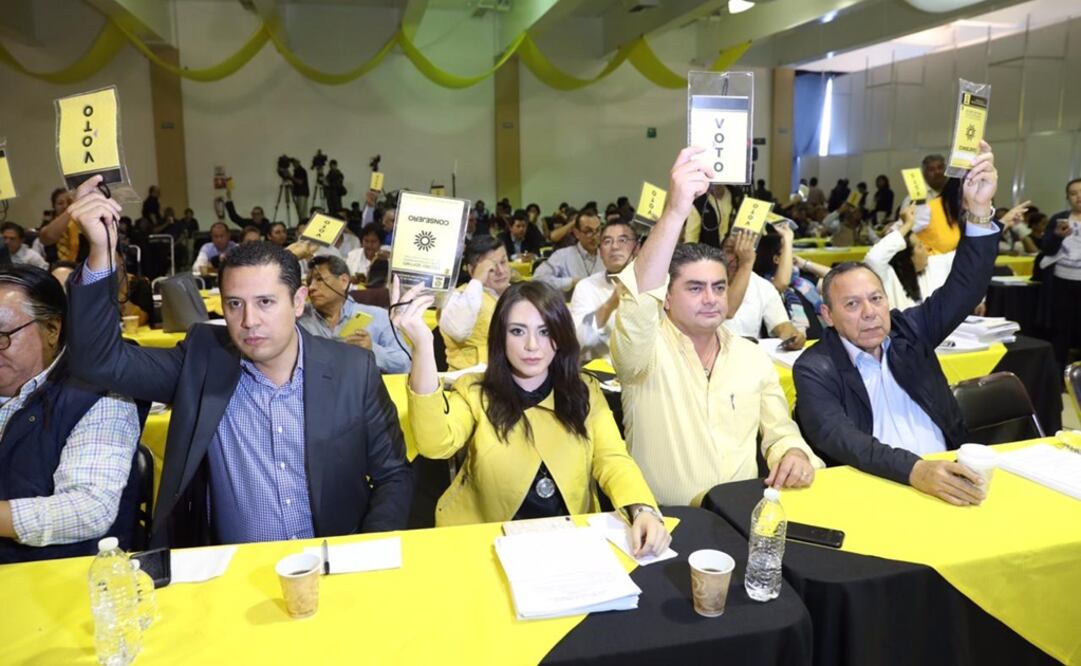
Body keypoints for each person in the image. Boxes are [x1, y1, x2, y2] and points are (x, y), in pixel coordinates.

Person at [63, 175, 413, 547]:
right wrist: (101, 252)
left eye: (265, 302)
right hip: (230, 575)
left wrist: (367, 553)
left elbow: (393, 475)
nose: (248, 321)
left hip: (332, 565)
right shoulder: (202, 360)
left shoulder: (351, 370)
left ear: (298, 302)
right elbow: (98, 361)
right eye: (234, 304)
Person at [393, 278, 670, 555]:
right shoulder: (475, 392)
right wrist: (423, 346)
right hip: (486, 540)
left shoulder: (585, 391)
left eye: (545, 330)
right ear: (500, 337)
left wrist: (642, 509)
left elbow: (612, 459)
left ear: (560, 336)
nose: (532, 345)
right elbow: (435, 443)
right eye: (517, 331)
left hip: (570, 539)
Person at [793, 141, 1003, 506]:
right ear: (827, 316)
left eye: (876, 299)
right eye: (852, 305)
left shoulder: (912, 330)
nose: (870, 312)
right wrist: (916, 471)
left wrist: (979, 209)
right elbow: (841, 438)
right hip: (876, 487)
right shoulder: (816, 367)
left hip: (950, 475)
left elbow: (965, 288)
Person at [609, 148, 822, 507]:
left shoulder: (751, 359)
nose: (711, 298)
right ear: (668, 297)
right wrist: (676, 211)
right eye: (695, 288)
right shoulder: (643, 355)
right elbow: (640, 297)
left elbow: (780, 432)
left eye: (719, 287)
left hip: (740, 519)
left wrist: (793, 454)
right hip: (662, 527)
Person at [0, 265, 141, 563]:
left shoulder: (99, 393)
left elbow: (88, 509)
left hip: (56, 574)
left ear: (52, 329)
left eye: (3, 336)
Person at [298, 255, 410, 374]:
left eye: (319, 279)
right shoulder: (299, 317)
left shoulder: (378, 317)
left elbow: (404, 363)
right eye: (309, 282)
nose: (311, 287)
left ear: (344, 281)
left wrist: (372, 349)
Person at [722, 230, 806, 348]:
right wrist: (745, 264)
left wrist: (794, 336)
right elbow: (726, 311)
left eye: (746, 251)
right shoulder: (704, 280)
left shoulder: (763, 286)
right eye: (730, 250)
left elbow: (781, 325)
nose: (739, 256)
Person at [568, 220, 638, 362]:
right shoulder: (586, 287)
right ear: (600, 252)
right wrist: (610, 305)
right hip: (605, 375)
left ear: (637, 247)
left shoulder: (655, 284)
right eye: (607, 242)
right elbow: (578, 343)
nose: (615, 247)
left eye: (622, 240)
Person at [440, 235, 512, 371]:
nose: (501, 271)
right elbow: (459, 331)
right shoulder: (456, 298)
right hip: (469, 381)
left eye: (503, 262)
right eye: (490, 268)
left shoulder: (518, 294)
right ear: (472, 270)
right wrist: (477, 281)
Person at [752, 226, 828, 339]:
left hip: (819, 344)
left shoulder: (800, 281)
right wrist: (787, 239)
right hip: (794, 350)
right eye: (788, 251)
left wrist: (805, 264)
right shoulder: (763, 285)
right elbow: (781, 283)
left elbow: (838, 280)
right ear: (776, 259)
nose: (791, 256)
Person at [1038, 177, 1081, 375]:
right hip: (1061, 282)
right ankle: (1056, 380)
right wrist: (1056, 236)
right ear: (1068, 197)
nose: (1078, 197)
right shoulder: (1059, 218)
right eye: (1073, 193)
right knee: (1060, 331)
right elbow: (1045, 249)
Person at [533, 211, 603, 295]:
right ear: (577, 233)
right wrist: (570, 282)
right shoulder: (562, 255)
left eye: (598, 230)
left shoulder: (607, 256)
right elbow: (538, 279)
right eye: (588, 231)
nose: (594, 236)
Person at [684, 183, 734, 249]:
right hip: (709, 254)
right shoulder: (699, 202)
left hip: (733, 253)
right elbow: (691, 238)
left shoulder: (735, 194)